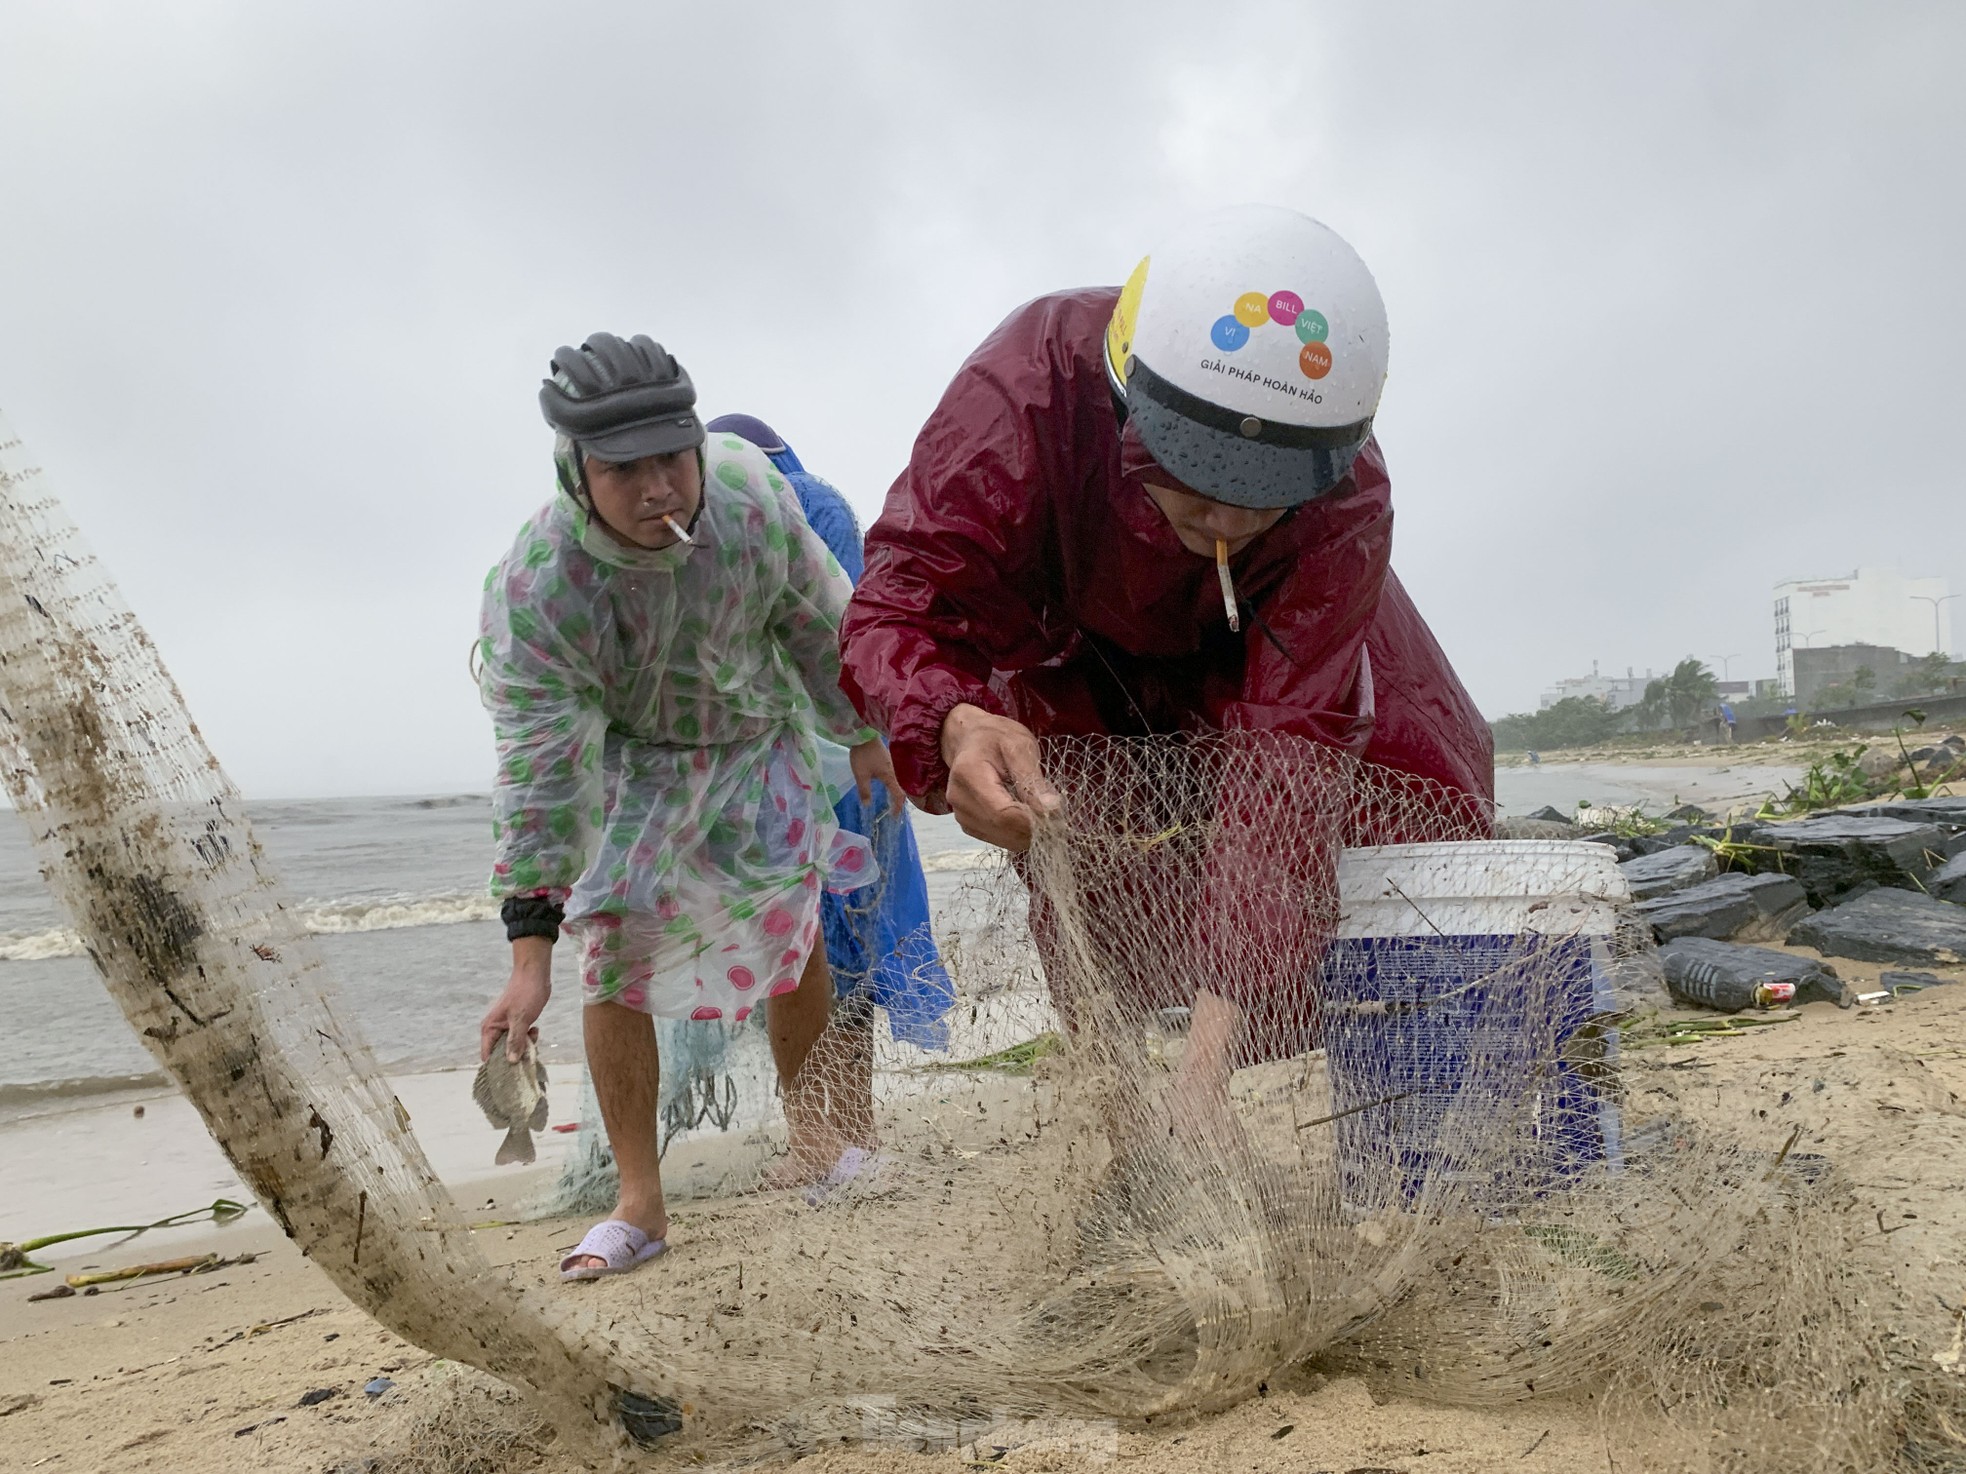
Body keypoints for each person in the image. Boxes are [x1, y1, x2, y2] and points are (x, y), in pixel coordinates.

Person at [839, 204, 1493, 1128]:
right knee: (1080, 845)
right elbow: (901, 599)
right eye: (1196, 473)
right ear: (1125, 401)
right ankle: (1125, 1129)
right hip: (1070, 651)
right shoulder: (1030, 384)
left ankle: (1211, 1088)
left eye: (1261, 498)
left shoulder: (1346, 501)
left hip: (1255, 653)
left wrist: (1208, 1069)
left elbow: (1290, 756)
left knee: (1414, 799)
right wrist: (954, 720)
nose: (1225, 519)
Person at [476, 333, 900, 1281]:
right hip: (636, 765)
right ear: (578, 470)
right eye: (625, 470)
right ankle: (640, 1204)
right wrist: (527, 946)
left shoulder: (748, 495)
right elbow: (540, 766)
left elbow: (816, 619)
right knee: (613, 960)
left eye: (672, 457)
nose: (659, 487)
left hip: (757, 744)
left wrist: (865, 730)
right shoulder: (545, 582)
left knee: (795, 941)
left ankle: (825, 1143)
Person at [703, 413, 956, 1119]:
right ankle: (835, 1129)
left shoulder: (807, 507)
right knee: (819, 948)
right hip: (805, 761)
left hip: (835, 765)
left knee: (834, 947)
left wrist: (861, 737)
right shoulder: (803, 505)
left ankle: (842, 1129)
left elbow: (839, 629)